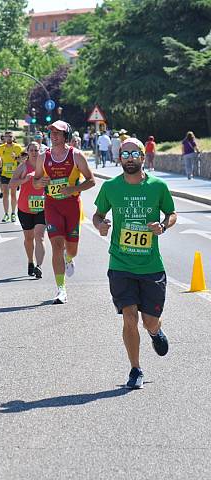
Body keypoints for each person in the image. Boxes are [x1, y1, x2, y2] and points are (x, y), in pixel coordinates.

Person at [92, 137, 177, 389]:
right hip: (120, 264)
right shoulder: (110, 188)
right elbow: (97, 214)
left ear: (142, 157)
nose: (129, 158)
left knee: (149, 320)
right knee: (129, 317)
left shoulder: (157, 186)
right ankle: (135, 369)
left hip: (151, 266)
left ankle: (154, 331)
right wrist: (100, 225)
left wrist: (162, 226)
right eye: (124, 154)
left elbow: (171, 214)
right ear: (119, 158)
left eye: (134, 154)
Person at [34, 120, 96, 304]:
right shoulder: (42, 157)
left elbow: (91, 181)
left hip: (71, 206)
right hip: (52, 206)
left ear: (66, 135)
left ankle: (69, 258)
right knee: (57, 245)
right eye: (51, 133)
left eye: (58, 133)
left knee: (72, 249)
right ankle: (61, 289)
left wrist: (72, 189)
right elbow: (36, 182)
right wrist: (40, 183)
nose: (54, 136)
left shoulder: (76, 155)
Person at [10, 142, 46, 278]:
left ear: (40, 151)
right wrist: (24, 179)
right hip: (25, 208)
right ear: (28, 152)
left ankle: (39, 266)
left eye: (36, 150)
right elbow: (11, 184)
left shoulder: (44, 166)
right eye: (31, 150)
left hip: (42, 207)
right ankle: (31, 261)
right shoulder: (23, 167)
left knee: (39, 236)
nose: (34, 153)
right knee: (29, 238)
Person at [0, 131, 23, 223]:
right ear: (4, 138)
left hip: (14, 175)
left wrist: (16, 158)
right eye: (7, 137)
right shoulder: (0, 148)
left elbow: (24, 159)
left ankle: (13, 213)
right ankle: (6, 214)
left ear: (13, 137)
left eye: (10, 136)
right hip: (4, 174)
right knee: (5, 194)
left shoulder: (18, 147)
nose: (9, 138)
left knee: (13, 194)